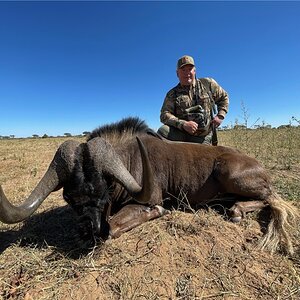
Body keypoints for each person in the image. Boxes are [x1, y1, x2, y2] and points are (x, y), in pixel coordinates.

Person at [157, 55, 229, 145]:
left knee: (202, 157)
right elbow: (164, 114)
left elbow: (224, 97)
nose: (187, 73)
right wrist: (183, 124)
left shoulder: (208, 84)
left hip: (203, 136)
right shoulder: (172, 94)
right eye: (183, 70)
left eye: (190, 69)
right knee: (163, 131)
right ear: (177, 73)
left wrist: (220, 116)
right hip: (181, 134)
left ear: (194, 71)